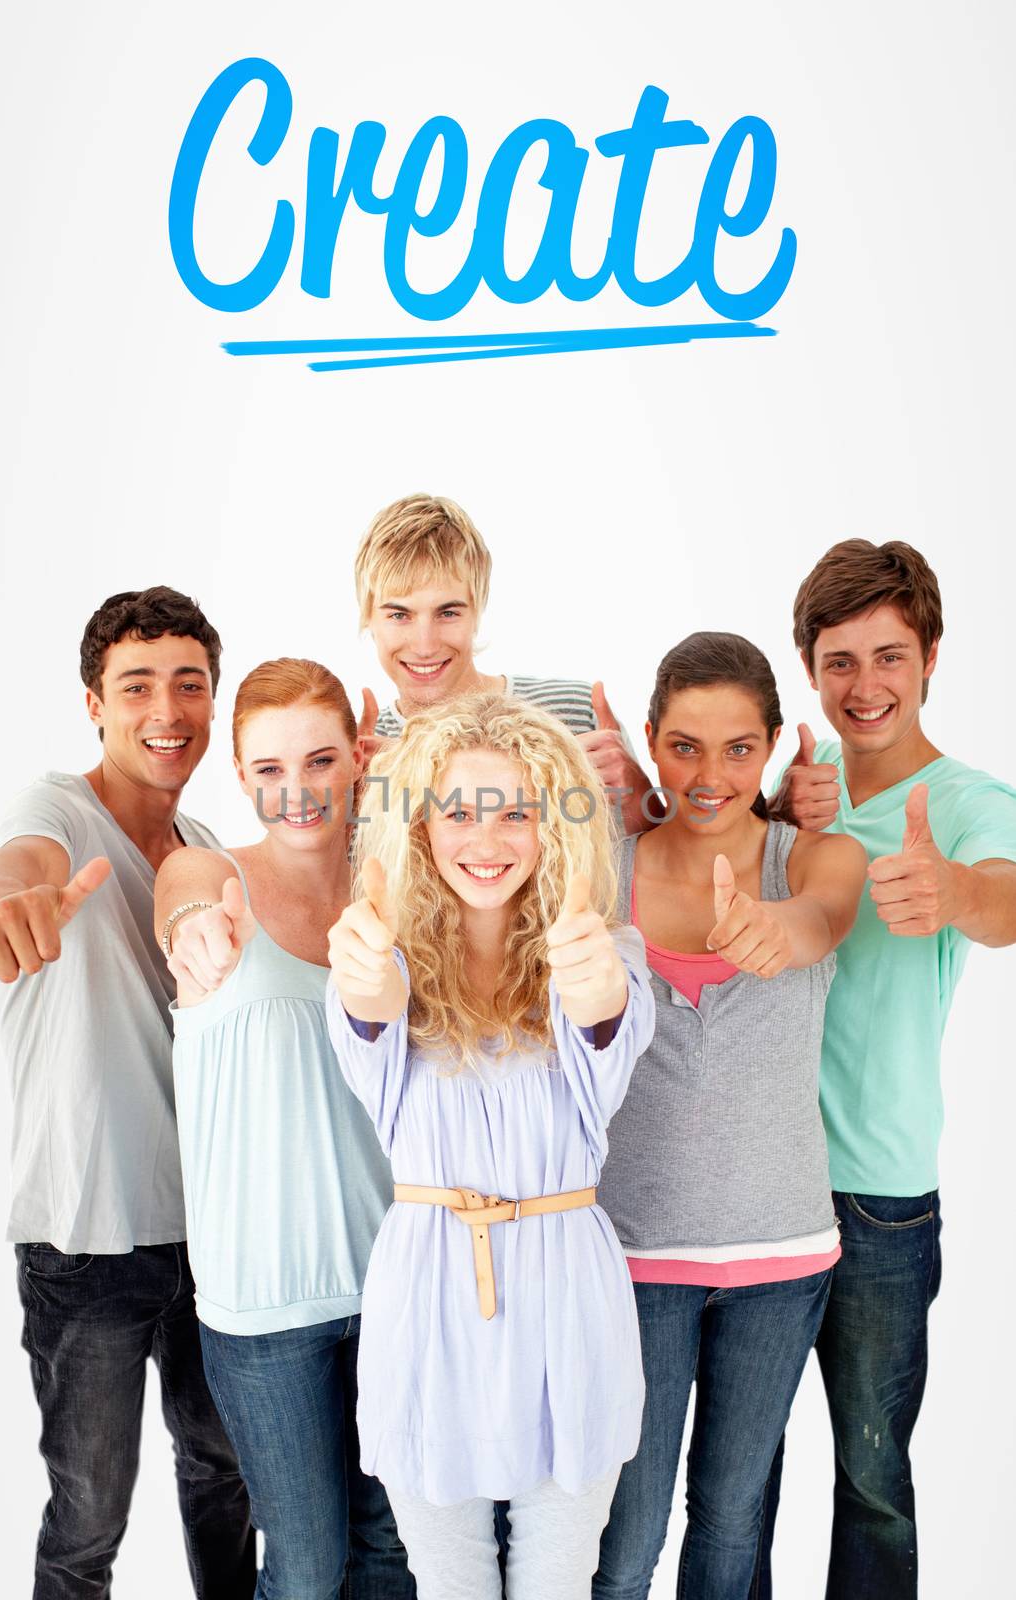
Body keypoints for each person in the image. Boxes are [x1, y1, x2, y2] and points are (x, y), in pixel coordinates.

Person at [0, 588, 254, 1600]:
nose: (165, 708)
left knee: (226, 1479)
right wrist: (11, 903)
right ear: (94, 702)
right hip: (87, 1240)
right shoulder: (57, 810)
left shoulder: (204, 843)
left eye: (188, 683)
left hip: (211, 1236)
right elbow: (19, 864)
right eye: (137, 685)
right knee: (87, 1521)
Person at [324, 690, 656, 1600]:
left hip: (566, 1305)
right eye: (459, 811)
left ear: (553, 827)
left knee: (557, 1581)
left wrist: (592, 989)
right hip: (429, 1302)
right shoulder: (380, 954)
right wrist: (365, 977)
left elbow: (604, 1024)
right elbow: (369, 1007)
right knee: (448, 1583)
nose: (488, 837)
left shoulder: (604, 952)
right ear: (420, 826)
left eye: (517, 812)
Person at [758, 540, 1016, 1599]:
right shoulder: (790, 808)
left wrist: (951, 892)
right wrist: (776, 816)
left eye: (887, 655)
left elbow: (1003, 899)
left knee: (872, 1477)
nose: (863, 685)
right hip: (755, 1191)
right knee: (737, 1475)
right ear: (808, 672)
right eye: (837, 661)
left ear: (929, 659)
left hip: (878, 1203)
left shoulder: (958, 802)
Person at [590, 633, 865, 1600]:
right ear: (651, 744)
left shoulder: (819, 858)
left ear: (778, 746)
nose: (709, 776)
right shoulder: (601, 871)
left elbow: (821, 920)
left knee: (730, 1523)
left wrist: (774, 928)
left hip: (779, 1259)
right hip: (632, 1259)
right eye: (684, 746)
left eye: (738, 749)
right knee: (622, 1540)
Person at [155, 657, 415, 1600]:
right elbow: (178, 901)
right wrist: (193, 931)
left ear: (356, 758)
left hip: (394, 1282)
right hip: (263, 1308)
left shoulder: (401, 892)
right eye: (267, 768)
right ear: (238, 771)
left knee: (393, 1553)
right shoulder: (210, 873)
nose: (295, 789)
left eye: (317, 760)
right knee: (305, 1569)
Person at [354, 492, 655, 831]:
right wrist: (353, 814)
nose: (425, 644)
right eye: (399, 615)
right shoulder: (355, 755)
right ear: (368, 617)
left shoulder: (573, 714)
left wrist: (639, 795)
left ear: (478, 611)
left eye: (448, 612)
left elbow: (659, 864)